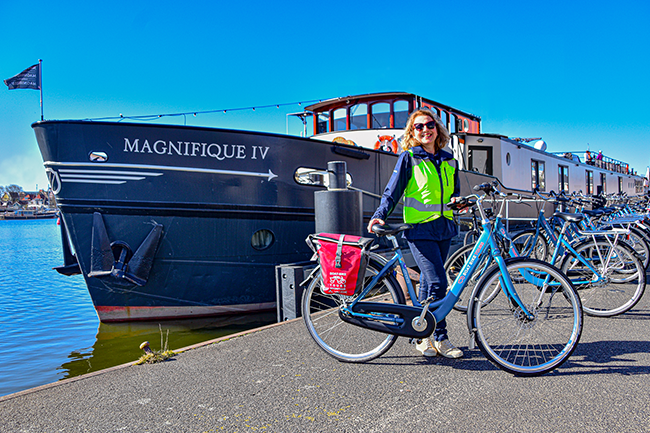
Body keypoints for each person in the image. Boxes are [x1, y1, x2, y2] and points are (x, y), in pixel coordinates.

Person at [366, 108, 463, 359]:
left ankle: (422, 336)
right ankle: (440, 337)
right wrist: (380, 214)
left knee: (429, 283)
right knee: (439, 283)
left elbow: (454, 192)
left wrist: (459, 202)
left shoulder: (450, 159)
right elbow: (393, 190)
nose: (425, 130)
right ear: (412, 132)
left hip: (444, 226)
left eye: (429, 125)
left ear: (437, 128)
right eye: (418, 127)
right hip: (419, 229)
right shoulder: (409, 157)